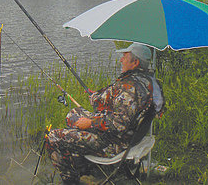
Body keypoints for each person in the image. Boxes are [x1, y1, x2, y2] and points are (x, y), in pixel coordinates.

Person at [45, 42, 164, 184]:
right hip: (128, 135)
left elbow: (119, 124)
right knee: (73, 114)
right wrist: (97, 97)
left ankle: (72, 180)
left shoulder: (129, 89)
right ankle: (82, 165)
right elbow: (123, 106)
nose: (121, 60)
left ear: (135, 62)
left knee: (53, 138)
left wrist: (90, 122)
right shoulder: (150, 83)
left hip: (113, 143)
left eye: (125, 57)